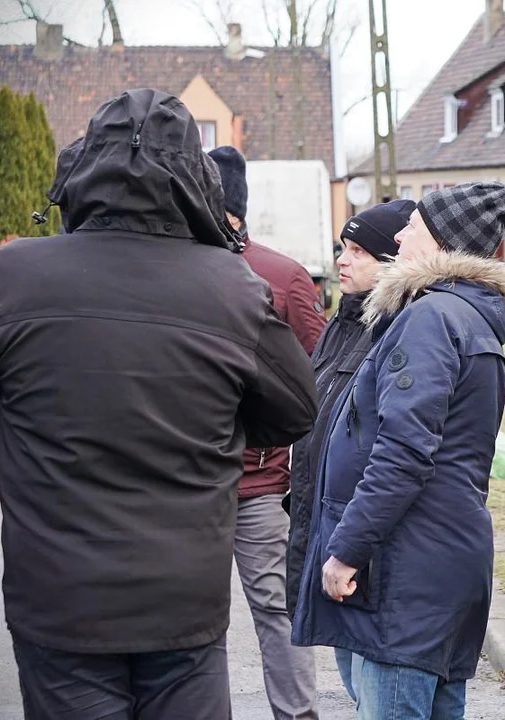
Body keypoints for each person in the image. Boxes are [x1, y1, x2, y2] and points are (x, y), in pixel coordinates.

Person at [0, 89, 319, 720]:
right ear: (195, 182)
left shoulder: (11, 276)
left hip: (60, 597)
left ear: (83, 169)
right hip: (182, 602)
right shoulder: (234, 290)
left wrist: (32, 449)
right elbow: (293, 409)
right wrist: (208, 435)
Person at [292, 182, 505, 720]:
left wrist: (347, 548)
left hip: (406, 572)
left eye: (412, 228)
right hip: (438, 560)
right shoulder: (463, 315)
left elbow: (403, 453)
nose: (399, 235)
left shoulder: (430, 318)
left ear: (443, 244)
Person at [208, 144, 326, 720]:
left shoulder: (282, 276)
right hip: (191, 489)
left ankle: (297, 714)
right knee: (193, 624)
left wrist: (296, 468)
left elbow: (320, 377)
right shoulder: (180, 276)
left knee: (275, 611)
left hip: (258, 487)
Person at [283, 197, 416, 700]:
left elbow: (395, 448)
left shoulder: (397, 328)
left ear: (391, 262)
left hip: (367, 545)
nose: (342, 259)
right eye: (343, 247)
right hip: (331, 528)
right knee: (356, 684)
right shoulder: (342, 322)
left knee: (376, 691)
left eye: (359, 250)